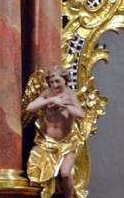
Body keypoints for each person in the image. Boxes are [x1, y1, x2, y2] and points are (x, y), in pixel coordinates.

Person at [26, 66, 85, 198]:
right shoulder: (47, 94)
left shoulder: (70, 95)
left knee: (65, 173)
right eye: (52, 82)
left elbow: (81, 115)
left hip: (67, 143)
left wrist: (65, 105)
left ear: (65, 80)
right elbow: (30, 108)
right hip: (46, 143)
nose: (54, 85)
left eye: (58, 81)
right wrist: (51, 100)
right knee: (37, 172)